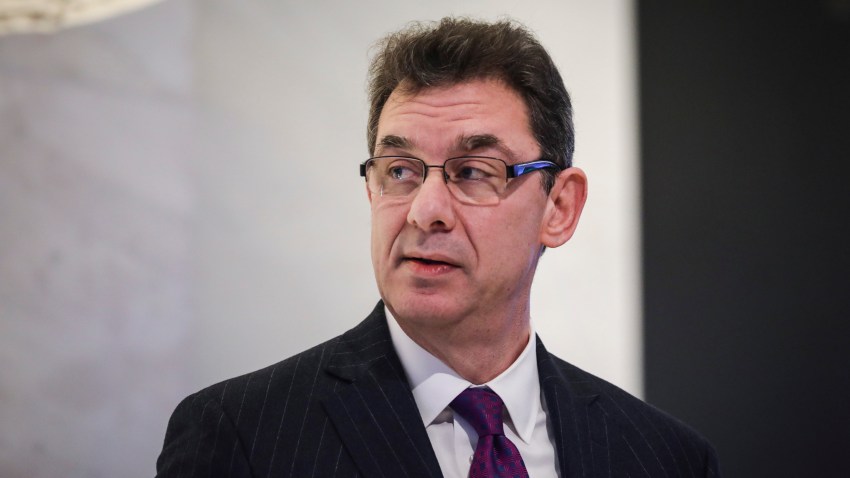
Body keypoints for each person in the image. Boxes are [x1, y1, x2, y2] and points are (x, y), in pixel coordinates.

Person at [156, 17, 719, 478]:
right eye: (399, 170)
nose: (425, 210)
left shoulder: (665, 459)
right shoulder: (240, 436)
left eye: (473, 171)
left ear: (559, 207)